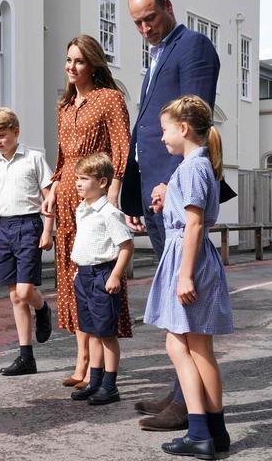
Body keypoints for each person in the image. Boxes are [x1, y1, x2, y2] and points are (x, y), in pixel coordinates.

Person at [123, 0, 234, 431]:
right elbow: (146, 129)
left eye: (150, 18)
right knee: (174, 309)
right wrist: (134, 191)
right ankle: (178, 395)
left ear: (169, 7)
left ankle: (187, 409)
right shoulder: (155, 53)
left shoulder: (194, 47)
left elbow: (193, 120)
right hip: (153, 187)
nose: (145, 28)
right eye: (137, 23)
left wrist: (171, 184)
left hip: (174, 188)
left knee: (183, 310)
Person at [42, 35, 132, 389]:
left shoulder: (109, 99)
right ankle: (81, 359)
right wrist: (51, 191)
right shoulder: (63, 106)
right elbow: (63, 159)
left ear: (93, 64)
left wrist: (112, 196)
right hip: (66, 199)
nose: (71, 67)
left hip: (95, 199)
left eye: (79, 61)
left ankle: (98, 366)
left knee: (97, 273)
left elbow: (121, 150)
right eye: (68, 60)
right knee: (72, 280)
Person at [145, 95, 233, 458]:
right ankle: (214, 432)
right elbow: (189, 214)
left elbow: (194, 223)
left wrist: (185, 277)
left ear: (183, 129)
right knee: (196, 349)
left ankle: (199, 432)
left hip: (189, 261)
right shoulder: (195, 166)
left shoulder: (192, 168)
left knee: (184, 346)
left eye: (165, 129)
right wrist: (169, 198)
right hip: (189, 257)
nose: (162, 136)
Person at [0, 107, 55, 376]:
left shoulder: (34, 159)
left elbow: (48, 198)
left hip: (29, 225)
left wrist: (48, 230)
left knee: (24, 291)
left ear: (15, 131)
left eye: (1, 135)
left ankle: (43, 309)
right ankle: (26, 357)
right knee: (14, 296)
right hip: (5, 229)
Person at [67, 153, 134, 406]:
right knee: (91, 331)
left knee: (106, 334)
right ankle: (94, 381)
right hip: (83, 276)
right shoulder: (82, 209)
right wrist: (78, 270)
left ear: (103, 182)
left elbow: (126, 246)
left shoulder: (109, 213)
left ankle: (110, 385)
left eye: (84, 179)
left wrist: (116, 275)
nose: (78, 183)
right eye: (77, 178)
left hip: (103, 276)